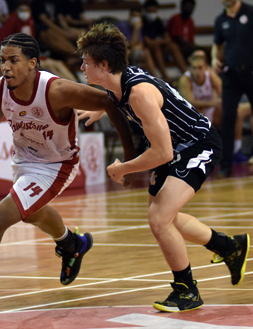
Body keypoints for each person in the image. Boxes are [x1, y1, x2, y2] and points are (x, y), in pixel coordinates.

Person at [0, 32, 136, 308]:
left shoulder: (56, 90)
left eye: (13, 60)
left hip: (56, 165)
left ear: (33, 63)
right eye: (2, 60)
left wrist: (129, 156)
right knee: (31, 214)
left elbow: (108, 100)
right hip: (23, 161)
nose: (6, 67)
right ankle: (72, 243)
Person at [76, 23, 250, 312]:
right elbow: (118, 102)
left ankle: (187, 290)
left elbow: (162, 151)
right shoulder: (120, 84)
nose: (82, 66)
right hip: (176, 149)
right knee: (164, 217)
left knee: (159, 218)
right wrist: (102, 107)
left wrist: (124, 169)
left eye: (87, 61)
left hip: (198, 144)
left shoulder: (139, 94)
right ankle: (229, 247)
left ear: (104, 65)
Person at [177, 49, 252, 163]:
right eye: (194, 68)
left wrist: (220, 103)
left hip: (211, 113)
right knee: (197, 111)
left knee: (236, 111)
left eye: (200, 68)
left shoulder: (210, 75)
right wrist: (212, 103)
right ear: (190, 68)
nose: (197, 71)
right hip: (195, 118)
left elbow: (225, 92)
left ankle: (236, 150)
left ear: (206, 67)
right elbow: (190, 102)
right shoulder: (185, 80)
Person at [211, 0, 253, 178]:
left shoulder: (250, 13)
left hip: (251, 72)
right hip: (231, 75)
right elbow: (217, 45)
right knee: (228, 118)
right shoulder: (221, 21)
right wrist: (214, 59)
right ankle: (225, 165)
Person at [30, 0, 80, 68]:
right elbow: (44, 19)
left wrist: (67, 29)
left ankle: (75, 56)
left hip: (56, 27)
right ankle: (76, 54)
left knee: (78, 33)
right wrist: (61, 32)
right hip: (43, 28)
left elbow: (60, 17)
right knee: (53, 34)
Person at [141, 0, 187, 81]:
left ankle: (186, 74)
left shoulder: (158, 21)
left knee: (173, 46)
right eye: (150, 11)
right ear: (145, 11)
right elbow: (148, 42)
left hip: (159, 47)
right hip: (148, 50)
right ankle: (165, 77)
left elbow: (168, 39)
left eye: (154, 11)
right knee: (156, 48)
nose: (152, 14)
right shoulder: (142, 22)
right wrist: (160, 42)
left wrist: (158, 42)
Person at [117, 6, 157, 76]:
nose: (136, 19)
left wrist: (136, 47)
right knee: (139, 53)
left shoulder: (139, 27)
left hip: (133, 51)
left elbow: (140, 43)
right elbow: (129, 45)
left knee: (145, 52)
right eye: (134, 16)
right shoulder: (122, 26)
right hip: (121, 53)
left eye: (138, 17)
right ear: (130, 16)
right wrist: (136, 30)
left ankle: (152, 78)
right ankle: (155, 77)